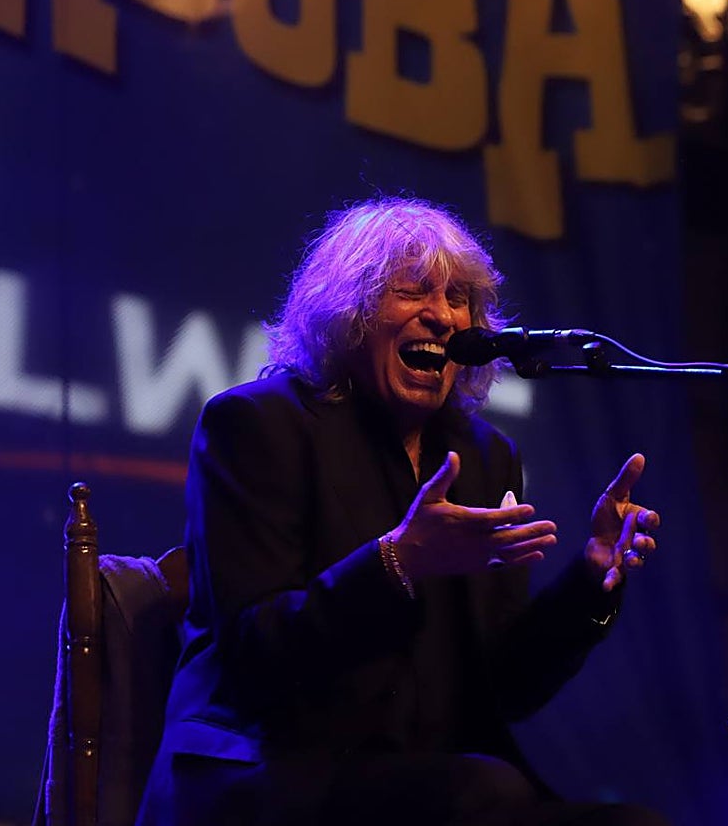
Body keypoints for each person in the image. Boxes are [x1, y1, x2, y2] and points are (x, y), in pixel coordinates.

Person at [137, 197, 666, 826]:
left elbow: (504, 687)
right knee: (484, 792)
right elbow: (258, 654)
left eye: (459, 299)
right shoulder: (256, 425)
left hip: (436, 785)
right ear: (351, 312)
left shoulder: (486, 455)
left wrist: (590, 581)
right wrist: (397, 561)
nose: (443, 317)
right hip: (265, 773)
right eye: (413, 292)